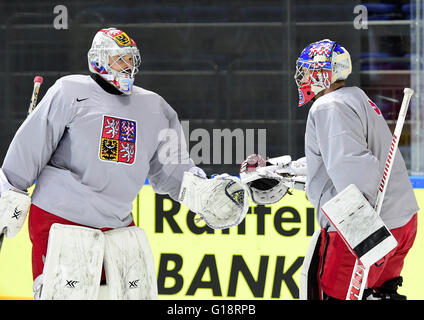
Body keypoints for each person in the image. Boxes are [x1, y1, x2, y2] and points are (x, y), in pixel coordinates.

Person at [0, 27, 249, 300]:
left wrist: (203, 193)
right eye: (120, 59)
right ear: (99, 60)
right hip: (60, 220)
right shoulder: (69, 91)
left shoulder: (155, 107)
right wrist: (10, 190)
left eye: (131, 59)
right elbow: (32, 145)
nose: (128, 66)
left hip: (118, 225)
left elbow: (173, 171)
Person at [294, 39, 418, 300]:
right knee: (380, 295)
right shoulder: (355, 97)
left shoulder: (328, 106)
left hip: (363, 230)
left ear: (322, 72)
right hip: (401, 222)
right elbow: (341, 161)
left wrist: (365, 234)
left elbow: (351, 169)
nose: (302, 77)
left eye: (307, 70)